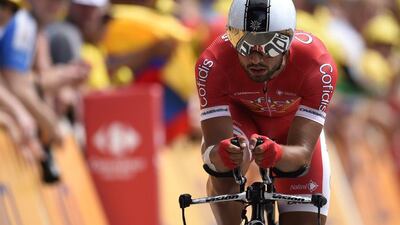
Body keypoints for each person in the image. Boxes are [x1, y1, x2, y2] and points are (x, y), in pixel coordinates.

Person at [195, 0, 337, 225]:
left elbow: (302, 155)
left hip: (290, 130)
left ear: (288, 40)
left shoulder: (317, 65)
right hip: (240, 118)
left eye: (269, 45)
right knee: (227, 167)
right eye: (243, 45)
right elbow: (211, 156)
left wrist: (279, 154)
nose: (255, 58)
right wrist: (221, 154)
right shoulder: (212, 63)